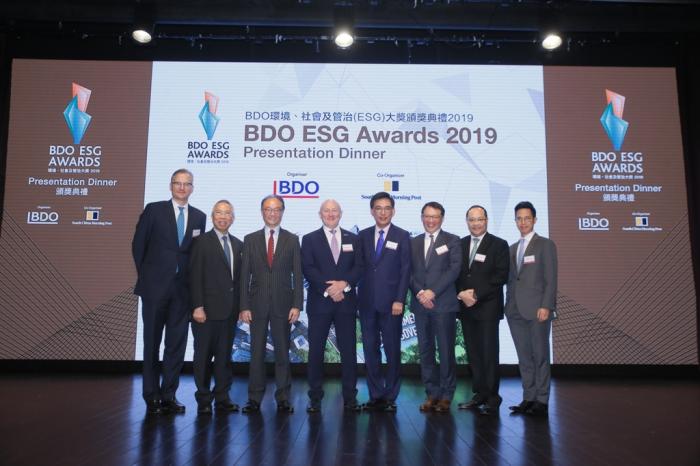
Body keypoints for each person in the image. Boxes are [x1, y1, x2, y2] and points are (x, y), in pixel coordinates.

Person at [132, 168, 206, 415]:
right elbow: (138, 246)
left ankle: (168, 395)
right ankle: (151, 395)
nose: (182, 187)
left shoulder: (199, 217)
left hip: (182, 293)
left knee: (176, 346)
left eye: (187, 184)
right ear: (171, 185)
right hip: (155, 290)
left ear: (192, 188)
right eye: (178, 183)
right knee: (151, 343)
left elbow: (195, 256)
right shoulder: (154, 210)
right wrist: (148, 278)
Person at [239, 194, 303, 414]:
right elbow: (244, 276)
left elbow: (297, 274)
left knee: (283, 353)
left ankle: (283, 397)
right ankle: (254, 398)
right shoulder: (250, 239)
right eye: (268, 209)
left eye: (276, 209)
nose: (272, 213)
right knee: (256, 352)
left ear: (282, 212)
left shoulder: (292, 240)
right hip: (256, 305)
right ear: (262, 212)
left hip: (284, 305)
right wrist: (244, 306)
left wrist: (297, 305)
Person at [301, 199, 363, 413]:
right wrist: (330, 290)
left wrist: (344, 285)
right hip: (320, 303)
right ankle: (315, 397)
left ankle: (350, 397)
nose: (330, 214)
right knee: (316, 352)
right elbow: (308, 268)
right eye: (326, 211)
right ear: (320, 214)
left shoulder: (354, 239)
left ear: (340, 213)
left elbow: (359, 267)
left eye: (334, 210)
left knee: (349, 351)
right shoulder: (309, 239)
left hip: (346, 303)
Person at [357, 191, 411, 412]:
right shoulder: (363, 235)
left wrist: (399, 299)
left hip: (392, 305)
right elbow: (358, 267)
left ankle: (391, 395)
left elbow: (406, 271)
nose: (382, 212)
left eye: (387, 208)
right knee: (370, 350)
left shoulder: (403, 235)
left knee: (392, 350)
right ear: (372, 211)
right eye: (378, 208)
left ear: (393, 211)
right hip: (367, 303)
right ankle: (376, 394)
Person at [189, 200, 243, 415]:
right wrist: (197, 306)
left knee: (224, 358)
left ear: (233, 218)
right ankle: (203, 398)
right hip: (206, 312)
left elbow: (238, 281)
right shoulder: (201, 242)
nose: (223, 217)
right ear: (212, 217)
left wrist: (241, 308)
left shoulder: (238, 244)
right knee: (203, 357)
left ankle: (222, 396)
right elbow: (194, 276)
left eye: (227, 213)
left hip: (230, 312)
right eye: (219, 213)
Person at [505, 201, 558, 417]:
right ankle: (528, 397)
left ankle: (542, 399)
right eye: (519, 218)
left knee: (540, 356)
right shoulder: (512, 248)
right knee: (524, 357)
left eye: (527, 218)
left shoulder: (545, 245)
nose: (523, 222)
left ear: (535, 220)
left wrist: (546, 305)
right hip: (515, 311)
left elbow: (551, 279)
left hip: (537, 310)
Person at [455, 205, 509, 415]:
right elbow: (455, 273)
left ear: (486, 220)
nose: (476, 223)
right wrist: (461, 293)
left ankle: (493, 396)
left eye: (479, 219)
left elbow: (500, 276)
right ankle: (479, 393)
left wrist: (476, 295)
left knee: (488, 353)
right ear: (467, 222)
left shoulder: (499, 244)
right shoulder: (460, 244)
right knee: (474, 354)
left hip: (487, 308)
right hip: (466, 308)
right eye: (472, 220)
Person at [409, 202, 462, 413]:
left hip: (444, 305)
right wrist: (421, 293)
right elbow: (408, 272)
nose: (431, 220)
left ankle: (447, 395)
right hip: (421, 304)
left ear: (442, 218)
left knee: (446, 351)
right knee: (425, 350)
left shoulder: (452, 240)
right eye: (427, 216)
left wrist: (432, 292)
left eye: (435, 216)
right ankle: (432, 393)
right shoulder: (413, 242)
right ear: (422, 217)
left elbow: (454, 270)